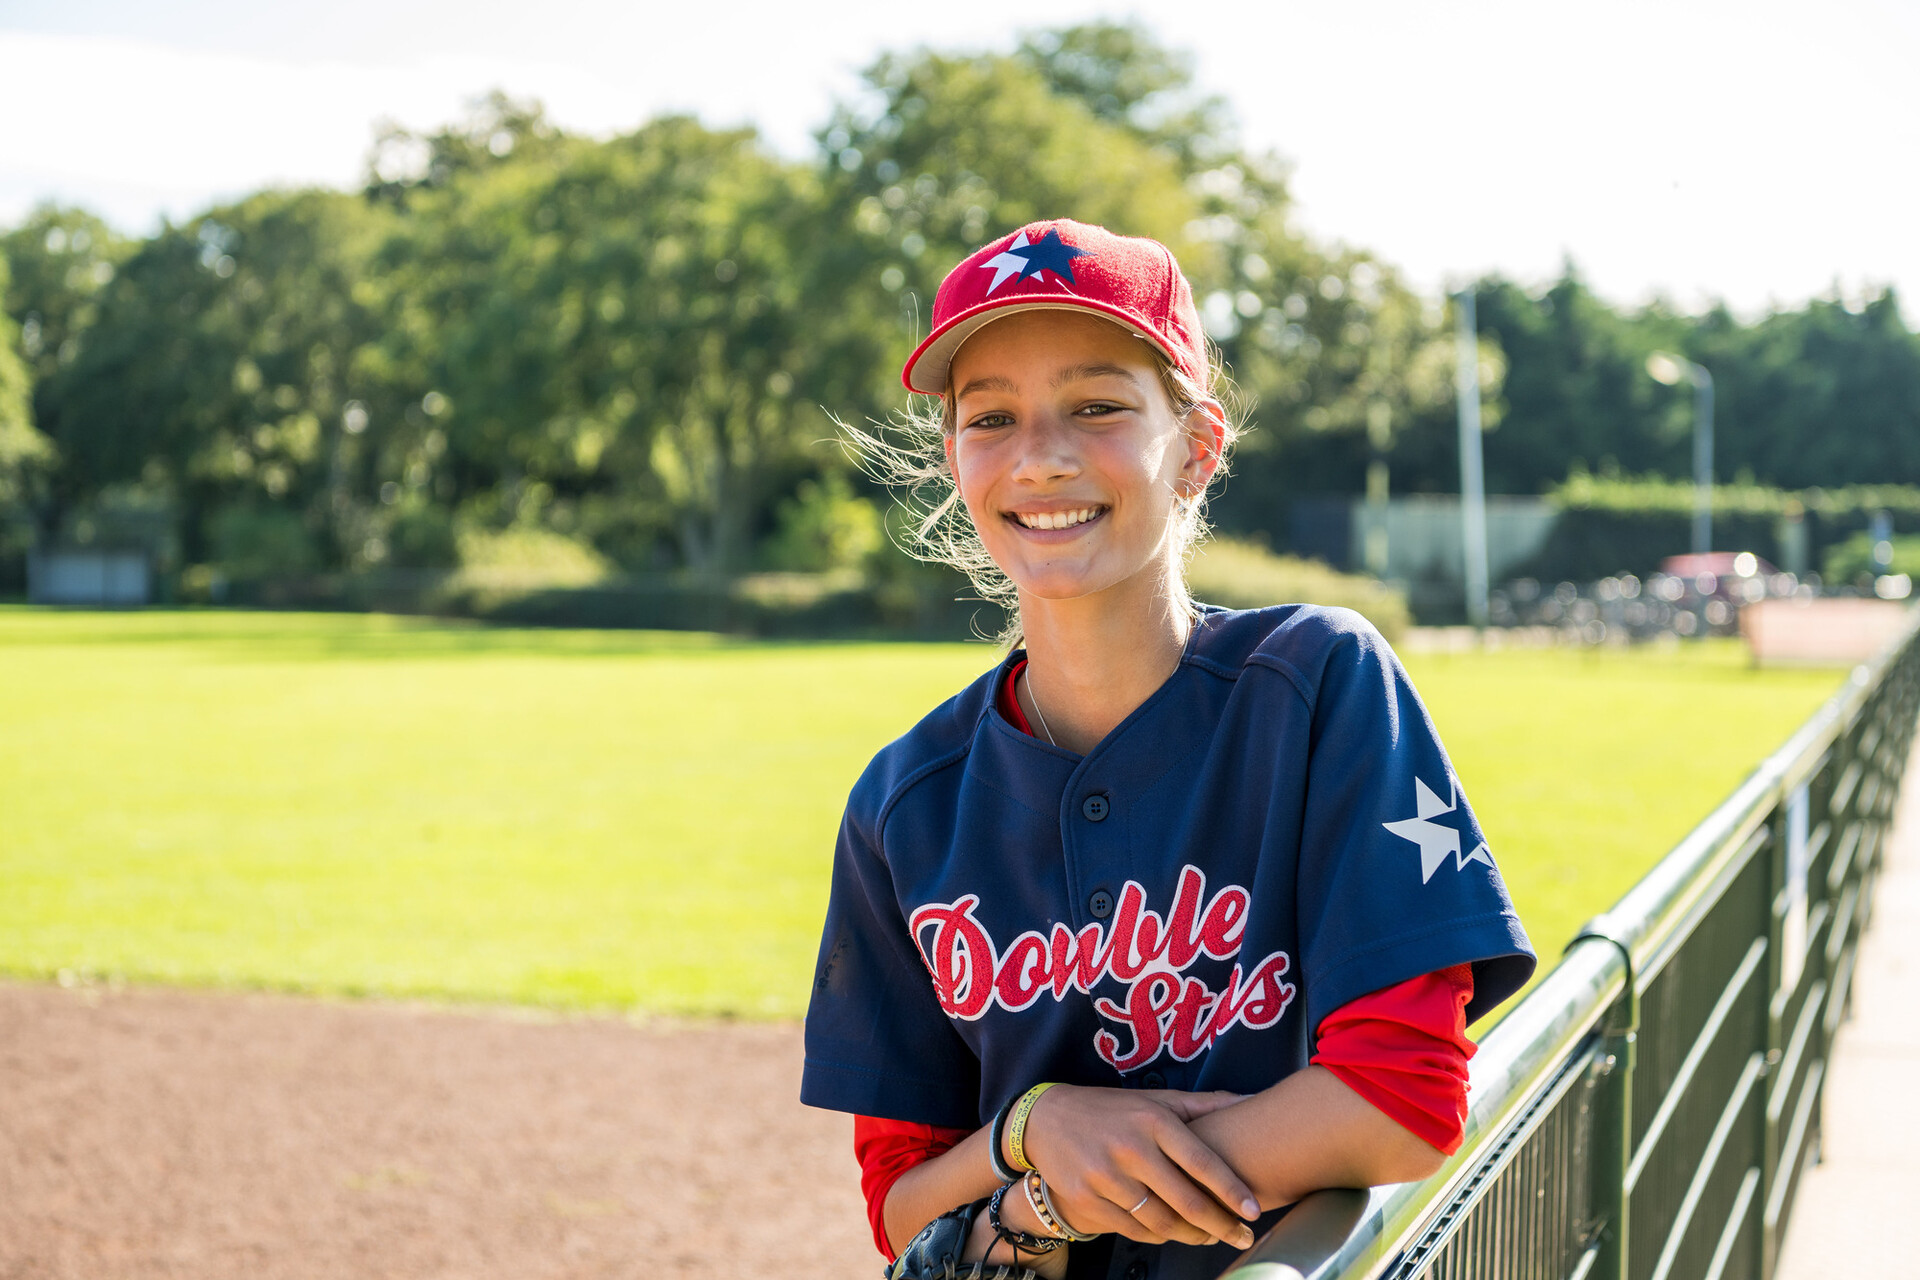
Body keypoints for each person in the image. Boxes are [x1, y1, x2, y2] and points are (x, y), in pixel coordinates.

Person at [801, 219, 1536, 1280]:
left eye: (1097, 406)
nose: (1042, 455)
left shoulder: (1315, 683)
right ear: (953, 457)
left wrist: (1051, 1194)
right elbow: (900, 1194)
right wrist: (1033, 1124)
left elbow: (1401, 1098)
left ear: (1196, 446)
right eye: (990, 416)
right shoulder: (904, 802)